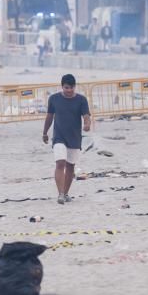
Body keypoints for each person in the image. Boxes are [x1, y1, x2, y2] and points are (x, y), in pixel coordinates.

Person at [42, 74, 91, 205]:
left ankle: (66, 192)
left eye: (71, 88)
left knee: (70, 166)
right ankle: (61, 194)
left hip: (74, 138)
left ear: (75, 87)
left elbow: (86, 115)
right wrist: (45, 132)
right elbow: (49, 116)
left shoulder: (81, 100)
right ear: (62, 86)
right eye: (66, 88)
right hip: (59, 136)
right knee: (60, 163)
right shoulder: (54, 99)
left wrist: (87, 124)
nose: (69, 90)